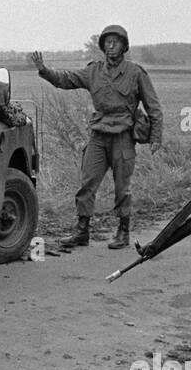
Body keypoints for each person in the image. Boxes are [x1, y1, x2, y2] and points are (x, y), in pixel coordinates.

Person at [28, 25, 163, 249]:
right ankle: (82, 232)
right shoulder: (94, 71)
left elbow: (154, 107)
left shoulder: (135, 73)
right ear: (102, 46)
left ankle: (123, 231)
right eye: (107, 42)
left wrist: (156, 137)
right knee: (87, 183)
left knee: (123, 187)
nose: (111, 46)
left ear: (124, 46)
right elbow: (66, 79)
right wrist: (44, 70)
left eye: (116, 42)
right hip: (99, 136)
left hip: (123, 136)